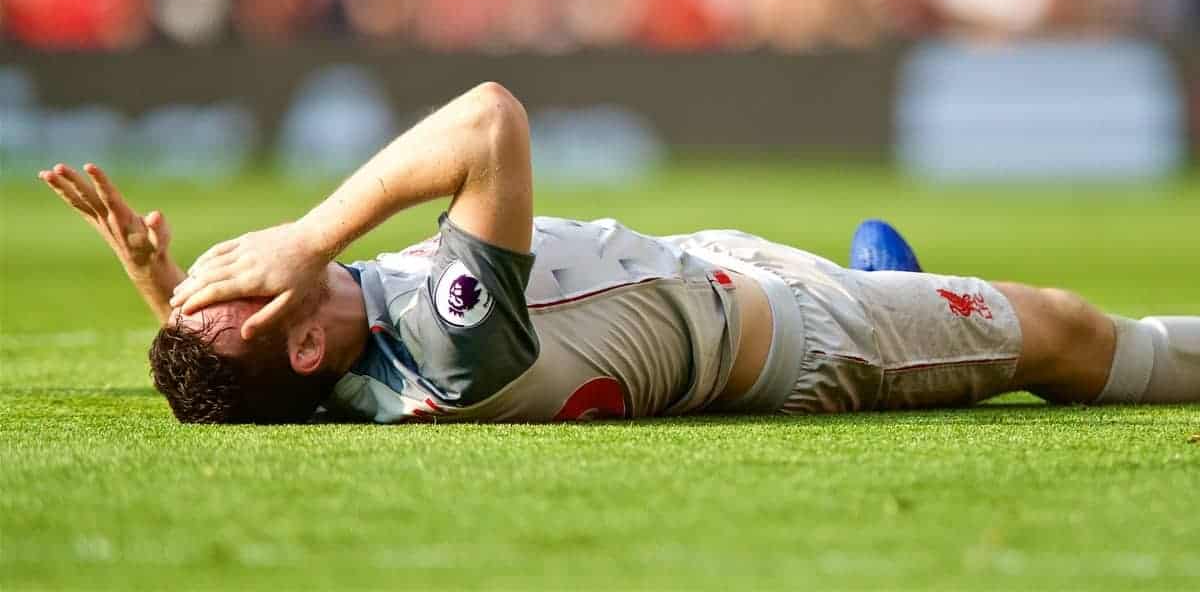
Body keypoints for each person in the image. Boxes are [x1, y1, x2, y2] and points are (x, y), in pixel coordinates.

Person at [39, 82, 1199, 424]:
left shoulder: (329, 354)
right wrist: (304, 236)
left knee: (900, 276)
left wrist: (165, 296)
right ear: (301, 339)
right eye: (229, 295)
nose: (223, 271)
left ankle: (890, 272)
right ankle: (897, 291)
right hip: (801, 338)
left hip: (701, 264)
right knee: (1069, 333)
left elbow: (241, 373)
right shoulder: (448, 346)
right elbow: (490, 119)